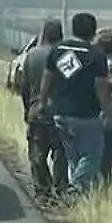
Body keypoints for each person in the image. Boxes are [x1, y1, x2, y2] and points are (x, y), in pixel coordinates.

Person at [33, 12, 112, 197]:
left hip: (60, 114)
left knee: (73, 157)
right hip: (87, 115)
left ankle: (75, 198)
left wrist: (42, 102)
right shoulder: (96, 56)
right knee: (93, 155)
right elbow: (101, 87)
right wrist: (108, 112)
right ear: (93, 31)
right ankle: (75, 188)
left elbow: (48, 77)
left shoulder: (59, 49)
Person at [21, 19, 68, 198]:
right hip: (58, 112)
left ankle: (43, 191)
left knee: (37, 155)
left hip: (36, 111)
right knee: (60, 153)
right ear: (61, 35)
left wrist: (27, 110)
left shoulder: (32, 55)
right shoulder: (64, 56)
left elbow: (24, 86)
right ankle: (60, 188)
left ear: (43, 34)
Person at [95, 28, 112, 185]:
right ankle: (104, 191)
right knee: (107, 162)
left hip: (91, 116)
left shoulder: (90, 62)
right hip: (111, 118)